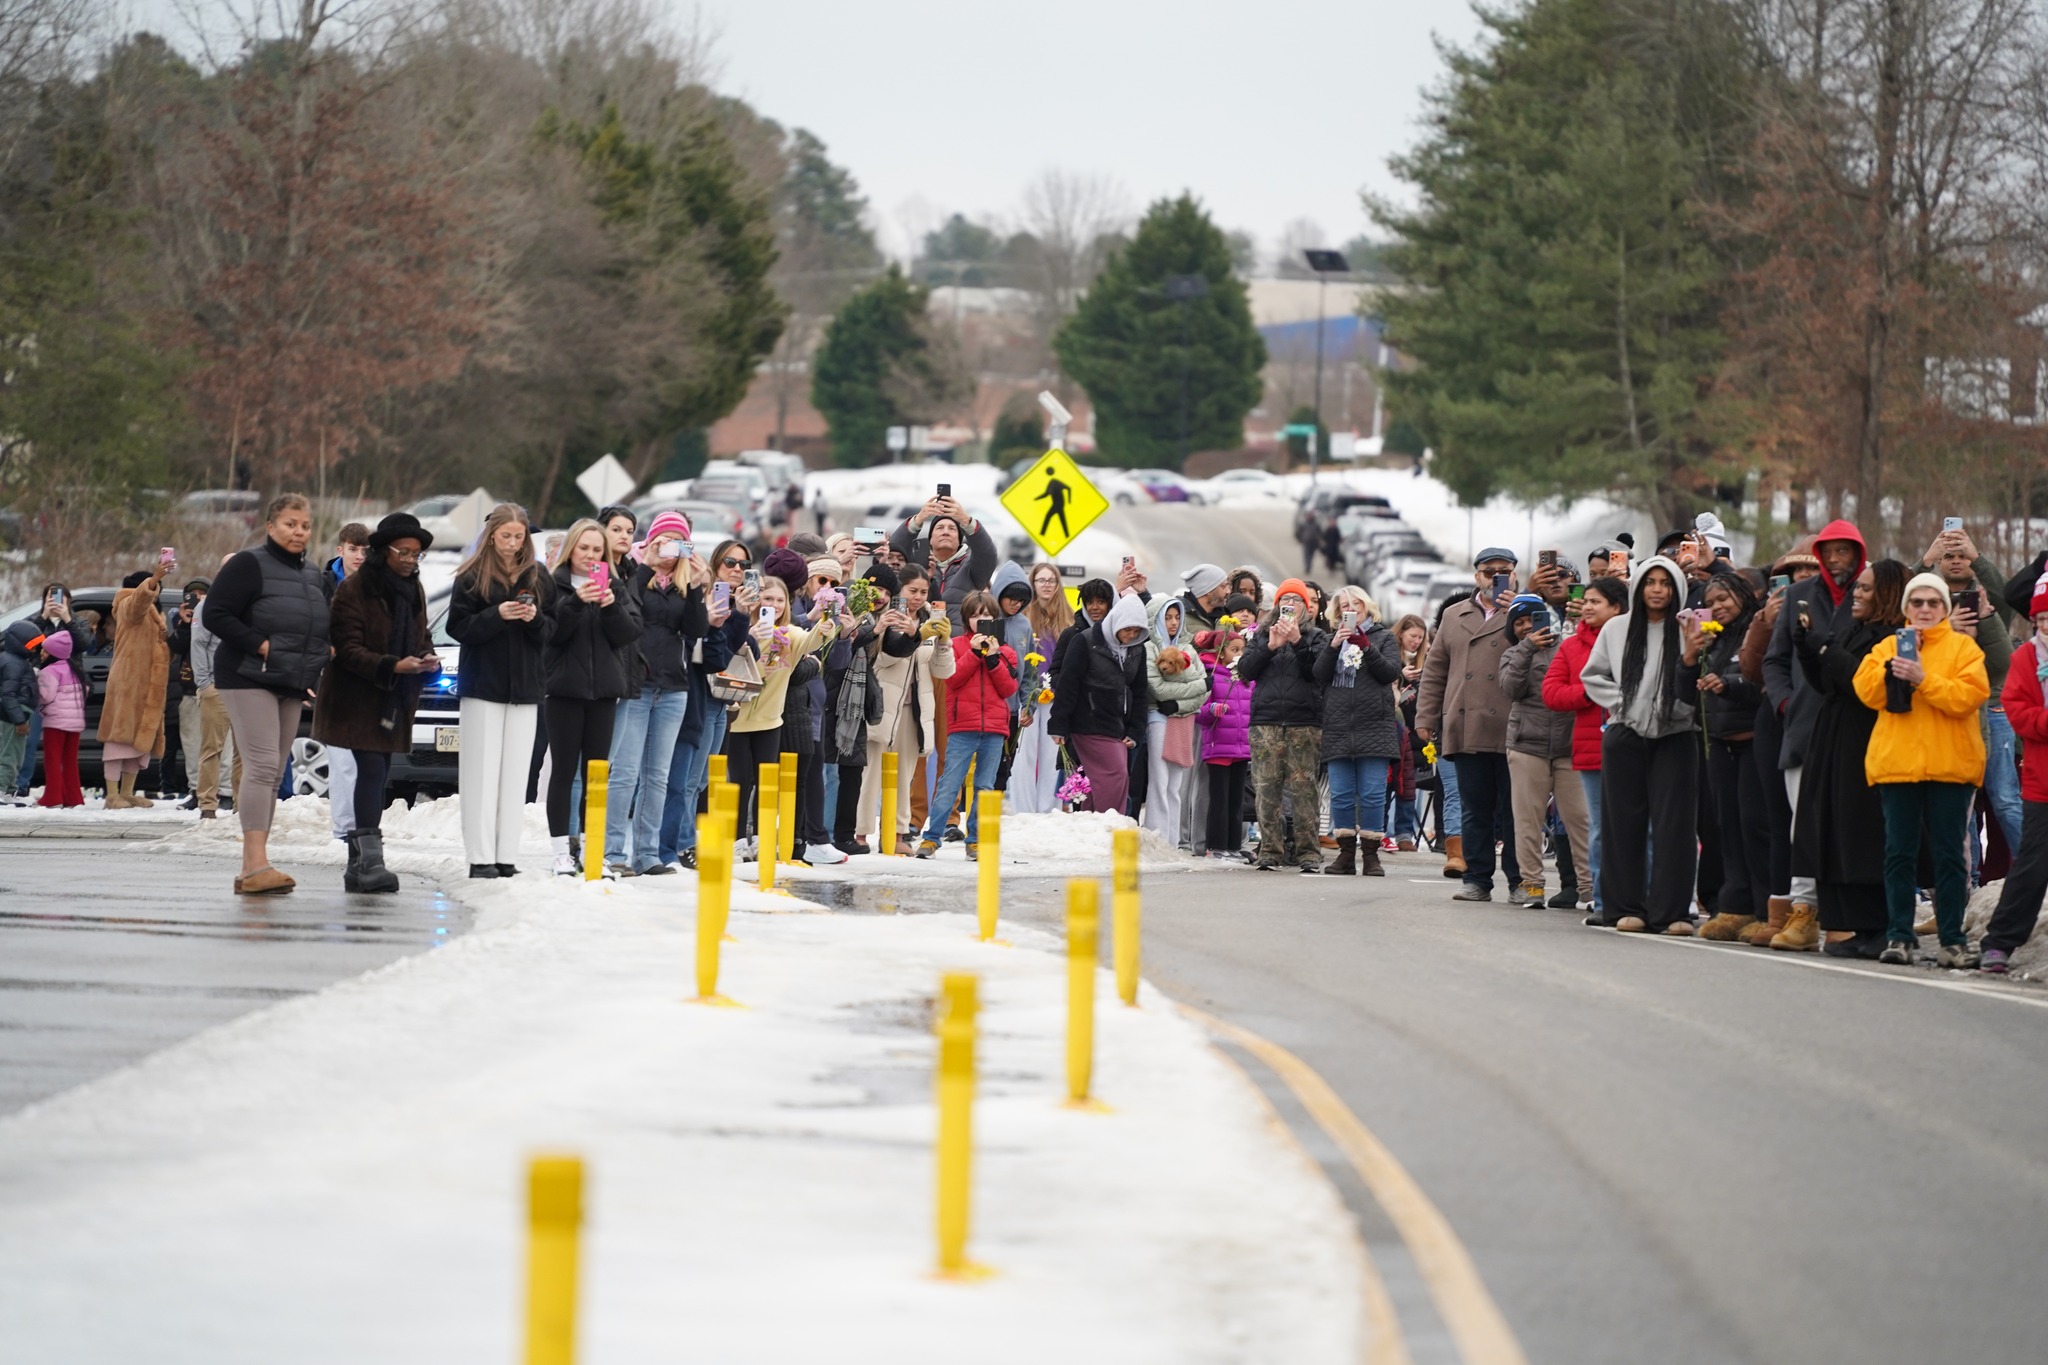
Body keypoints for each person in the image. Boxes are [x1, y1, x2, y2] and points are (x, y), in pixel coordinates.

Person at [1853, 572, 1988, 966]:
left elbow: (1969, 696)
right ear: (1906, 609)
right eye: (1917, 603)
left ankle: (1952, 939)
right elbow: (1865, 692)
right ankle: (1899, 936)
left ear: (1945, 608)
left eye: (1933, 603)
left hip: (1951, 766)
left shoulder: (1964, 649)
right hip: (1897, 765)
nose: (1925, 609)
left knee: (1949, 856)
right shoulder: (1886, 647)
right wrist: (1890, 672)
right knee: (1899, 853)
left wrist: (1924, 679)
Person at [202, 493, 331, 896]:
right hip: (247, 675)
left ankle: (250, 868)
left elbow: (314, 630)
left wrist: (314, 665)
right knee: (260, 766)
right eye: (291, 523)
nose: (299, 531)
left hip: (289, 680)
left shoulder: (313, 575)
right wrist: (261, 645)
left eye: (305, 525)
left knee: (274, 772)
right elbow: (216, 614)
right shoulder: (248, 564)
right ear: (271, 526)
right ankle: (257, 864)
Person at [312, 512, 439, 894]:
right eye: (404, 551)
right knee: (369, 770)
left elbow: (421, 634)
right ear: (383, 551)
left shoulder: (413, 589)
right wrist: (392, 664)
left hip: (394, 698)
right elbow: (346, 650)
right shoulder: (354, 589)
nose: (410, 559)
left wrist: (426, 659)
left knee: (378, 772)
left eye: (417, 554)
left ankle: (357, 864)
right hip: (354, 698)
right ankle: (370, 861)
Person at [1789, 561, 1905, 957]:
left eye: (1867, 589)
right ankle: (1851, 926)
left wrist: (1826, 648)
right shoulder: (1855, 630)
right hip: (1834, 736)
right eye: (1857, 588)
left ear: (1887, 595)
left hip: (1866, 738)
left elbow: (1861, 683)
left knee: (1862, 832)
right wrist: (1807, 650)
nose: (1857, 594)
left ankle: (1877, 927)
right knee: (1833, 827)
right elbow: (1827, 682)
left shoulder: (1892, 636)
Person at [1580, 556, 1699, 934]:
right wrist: (1624, 702)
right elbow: (1592, 674)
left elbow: (1698, 678)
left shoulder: (1688, 627)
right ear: (1639, 587)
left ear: (1677, 587)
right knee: (1622, 824)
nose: (1658, 589)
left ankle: (1672, 912)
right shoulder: (1616, 628)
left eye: (1666, 582)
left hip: (1676, 733)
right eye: (1651, 582)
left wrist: (1678, 705)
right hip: (1625, 733)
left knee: (1674, 826)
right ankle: (1624, 906)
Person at [1761, 519, 1866, 950]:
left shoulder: (1869, 595)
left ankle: (1845, 914)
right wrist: (1787, 703)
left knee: (1849, 823)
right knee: (1802, 826)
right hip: (1804, 726)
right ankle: (1803, 913)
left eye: (1846, 551)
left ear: (1859, 555)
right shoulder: (1798, 596)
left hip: (1858, 726)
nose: (1837, 560)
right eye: (1830, 552)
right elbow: (1775, 660)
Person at [604, 511, 709, 877]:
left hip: (673, 688)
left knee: (657, 776)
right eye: (664, 539)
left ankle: (647, 854)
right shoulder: (633, 573)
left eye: (678, 540)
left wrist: (696, 585)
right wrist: (648, 564)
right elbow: (630, 612)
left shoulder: (682, 582)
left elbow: (696, 629)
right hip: (637, 684)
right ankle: (614, 851)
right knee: (626, 772)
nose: (670, 547)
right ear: (651, 541)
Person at [448, 503, 551, 878]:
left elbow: (551, 630)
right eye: (505, 536)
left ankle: (506, 855)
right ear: (491, 536)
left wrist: (533, 617)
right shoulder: (473, 575)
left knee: (514, 775)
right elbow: (459, 627)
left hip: (525, 687)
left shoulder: (538, 575)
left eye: (518, 536)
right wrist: (497, 614)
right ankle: (480, 856)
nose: (511, 543)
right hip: (482, 685)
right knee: (480, 772)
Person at [1416, 549, 1521, 899]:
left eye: (1503, 571)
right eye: (1488, 571)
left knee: (1514, 811)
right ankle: (1477, 879)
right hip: (1466, 724)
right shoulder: (1453, 614)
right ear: (1476, 576)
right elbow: (1434, 672)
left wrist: (1515, 609)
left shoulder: (1526, 611)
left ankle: (1521, 881)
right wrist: (1426, 717)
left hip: (1513, 726)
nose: (1495, 577)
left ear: (1514, 574)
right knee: (1474, 808)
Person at [542, 518, 643, 876]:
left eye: (596, 550)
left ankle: (592, 848)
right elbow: (549, 634)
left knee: (596, 774)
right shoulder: (553, 584)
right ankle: (560, 851)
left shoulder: (615, 585)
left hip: (603, 693)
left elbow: (629, 633)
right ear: (571, 549)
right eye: (583, 548)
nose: (589, 555)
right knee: (564, 772)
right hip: (564, 691)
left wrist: (610, 605)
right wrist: (574, 604)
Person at [1913, 525, 2018, 866]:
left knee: (2004, 798)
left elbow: (2011, 594)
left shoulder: (1990, 599)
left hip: (1993, 707)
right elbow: (1898, 600)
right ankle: (1967, 879)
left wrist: (1979, 557)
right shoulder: (1929, 602)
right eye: (1949, 556)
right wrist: (1925, 560)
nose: (1956, 561)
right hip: (1949, 706)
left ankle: (2033, 869)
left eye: (1962, 556)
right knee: (1962, 802)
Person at [1737, 543, 1821, 944]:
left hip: (1822, 722)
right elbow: (1756, 668)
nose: (1802, 578)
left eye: (1810, 570)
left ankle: (1819, 912)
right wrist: (1765, 623)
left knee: (1814, 820)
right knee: (1771, 819)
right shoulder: (1771, 613)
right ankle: (1777, 911)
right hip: (1776, 720)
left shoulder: (1834, 607)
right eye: (1794, 572)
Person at [726, 571, 838, 858]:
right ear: (755, 600)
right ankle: (737, 839)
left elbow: (812, 640)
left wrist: (827, 622)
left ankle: (762, 838)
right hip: (738, 718)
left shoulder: (789, 633)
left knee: (767, 780)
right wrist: (748, 636)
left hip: (771, 719)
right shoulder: (740, 628)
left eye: (780, 600)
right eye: (767, 599)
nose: (774, 605)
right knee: (739, 780)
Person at [657, 537, 746, 869]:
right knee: (686, 778)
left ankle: (684, 841)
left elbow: (723, 655)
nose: (737, 570)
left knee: (702, 778)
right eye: (730, 563)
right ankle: (680, 844)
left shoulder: (731, 606)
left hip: (719, 697)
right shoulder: (696, 603)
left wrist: (738, 617)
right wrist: (711, 618)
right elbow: (700, 653)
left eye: (744, 565)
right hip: (695, 696)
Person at [1542, 576, 1625, 923]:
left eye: (1596, 602)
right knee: (1599, 828)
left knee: (1637, 825)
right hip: (1591, 748)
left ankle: (1640, 895)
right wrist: (1588, 693)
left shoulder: (1631, 640)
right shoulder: (1572, 646)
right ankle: (1603, 901)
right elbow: (1552, 692)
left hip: (1632, 743)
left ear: (1617, 608)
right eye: (1586, 601)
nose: (1587, 607)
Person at [1694, 572, 1772, 939]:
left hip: (1754, 742)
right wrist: (1691, 655)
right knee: (1727, 828)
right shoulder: (1712, 638)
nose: (1718, 607)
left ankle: (1765, 909)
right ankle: (1735, 907)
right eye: (1711, 602)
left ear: (1743, 596)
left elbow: (1763, 685)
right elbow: (1685, 691)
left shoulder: (1758, 630)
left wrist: (1729, 685)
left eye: (1724, 598)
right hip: (1720, 744)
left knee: (1755, 826)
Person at [1500, 594, 1589, 908]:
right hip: (1527, 745)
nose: (1527, 627)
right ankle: (1533, 886)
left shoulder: (1567, 648)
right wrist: (1527, 648)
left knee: (1580, 820)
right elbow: (1511, 689)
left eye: (1532, 620)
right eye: (1520, 623)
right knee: (1527, 821)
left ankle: (1589, 889)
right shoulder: (1513, 653)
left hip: (1568, 745)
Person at [1980, 573, 2048, 973]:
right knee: (2032, 866)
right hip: (2042, 784)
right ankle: (2000, 942)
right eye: (2042, 619)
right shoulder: (2026, 659)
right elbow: (2017, 713)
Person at [860, 565, 955, 851]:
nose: (917, 597)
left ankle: (898, 834)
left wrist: (943, 641)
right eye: (912, 591)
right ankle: (860, 833)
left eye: (923, 592)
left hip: (915, 711)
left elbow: (944, 671)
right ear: (900, 591)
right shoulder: (884, 619)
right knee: (870, 774)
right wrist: (914, 637)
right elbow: (881, 662)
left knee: (905, 776)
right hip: (883, 706)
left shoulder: (930, 619)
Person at [917, 590, 1018, 858]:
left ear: (995, 618)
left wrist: (994, 658)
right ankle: (931, 838)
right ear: (966, 619)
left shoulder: (1006, 650)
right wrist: (975, 653)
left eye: (986, 615)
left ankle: (975, 840)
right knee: (950, 783)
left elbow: (1008, 688)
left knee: (984, 787)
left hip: (995, 730)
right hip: (963, 727)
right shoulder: (958, 645)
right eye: (975, 616)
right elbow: (953, 678)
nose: (980, 620)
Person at [1237, 579, 1328, 873]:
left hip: (1305, 723)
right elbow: (1245, 672)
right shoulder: (1261, 636)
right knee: (1266, 790)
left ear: (1307, 606)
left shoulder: (1316, 637)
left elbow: (1317, 672)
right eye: (1284, 599)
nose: (1290, 604)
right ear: (1276, 605)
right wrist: (1271, 647)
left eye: (1296, 599)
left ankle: (1308, 854)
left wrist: (1297, 641)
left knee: (1304, 791)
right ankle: (1270, 851)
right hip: (1266, 722)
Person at [1313, 586, 1402, 876]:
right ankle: (1346, 856)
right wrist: (1333, 647)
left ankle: (1372, 857)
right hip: (1339, 726)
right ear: (1336, 612)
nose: (1350, 612)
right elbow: (1319, 676)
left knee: (1373, 794)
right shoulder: (1330, 639)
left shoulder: (1384, 636)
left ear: (1366, 607)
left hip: (1374, 725)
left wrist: (1365, 646)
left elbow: (1390, 673)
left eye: (1356, 606)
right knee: (1341, 793)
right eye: (1343, 608)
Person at [1048, 591, 1148, 816]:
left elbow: (1140, 692)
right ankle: (1110, 825)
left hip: (1118, 726)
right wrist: (1058, 724)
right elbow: (1068, 683)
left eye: (1136, 631)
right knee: (1116, 774)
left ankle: (1091, 831)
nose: (1131, 636)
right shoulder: (1085, 640)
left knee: (1098, 784)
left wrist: (1136, 730)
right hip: (1088, 721)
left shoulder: (1137, 649)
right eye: (1127, 629)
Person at [96, 561, 174, 807]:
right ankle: (111, 794)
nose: (156, 590)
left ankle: (127, 792)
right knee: (118, 739)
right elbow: (137, 604)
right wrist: (154, 579)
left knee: (138, 742)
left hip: (147, 686)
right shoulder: (127, 604)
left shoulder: (154, 612)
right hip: (129, 683)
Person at [1140, 593, 1208, 840]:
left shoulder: (1188, 648)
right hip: (1157, 719)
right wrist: (1196, 685)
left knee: (1176, 783)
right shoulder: (1148, 648)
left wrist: (1177, 703)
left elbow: (1204, 689)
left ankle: (1173, 839)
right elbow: (1158, 689)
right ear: (1155, 619)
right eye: (1167, 617)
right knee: (1159, 780)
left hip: (1183, 719)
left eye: (1177, 617)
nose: (1173, 622)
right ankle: (1157, 836)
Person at [1007, 562, 1071, 815]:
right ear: (1033, 584)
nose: (1047, 585)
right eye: (1041, 580)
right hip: (1028, 694)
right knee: (1025, 754)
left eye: (1051, 580)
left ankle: (1047, 809)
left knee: (1050, 755)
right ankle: (1023, 809)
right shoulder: (1024, 616)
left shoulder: (1067, 617)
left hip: (1055, 695)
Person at [887, 494, 996, 629]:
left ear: (960, 539)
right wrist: (919, 519)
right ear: (930, 540)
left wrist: (965, 520)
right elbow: (895, 550)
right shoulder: (917, 566)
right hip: (917, 641)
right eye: (939, 528)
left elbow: (987, 554)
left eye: (952, 529)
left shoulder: (971, 567)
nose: (946, 532)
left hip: (957, 644)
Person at [1197, 631, 1254, 858]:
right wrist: (1212, 710)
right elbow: (1199, 711)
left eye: (1242, 650)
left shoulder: (1248, 679)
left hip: (1241, 748)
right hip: (1218, 747)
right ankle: (1215, 845)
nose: (1239, 654)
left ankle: (1233, 845)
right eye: (1234, 650)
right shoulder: (1213, 676)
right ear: (1221, 653)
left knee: (1236, 799)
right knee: (1219, 799)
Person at [1388, 614, 1429, 852]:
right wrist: (1402, 676)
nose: (1415, 642)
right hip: (1391, 727)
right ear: (1401, 633)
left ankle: (1404, 833)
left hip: (1414, 733)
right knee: (1385, 785)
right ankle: (1381, 831)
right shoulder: (1389, 654)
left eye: (1420, 638)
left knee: (1408, 786)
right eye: (1412, 636)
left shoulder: (1425, 662)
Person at [34, 628, 86, 806]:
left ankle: (53, 797)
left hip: (56, 722)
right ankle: (73, 797)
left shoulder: (49, 671)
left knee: (53, 760)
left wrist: (35, 683)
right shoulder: (74, 670)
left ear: (53, 653)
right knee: (70, 761)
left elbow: (46, 696)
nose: (41, 653)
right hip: (75, 722)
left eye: (45, 650)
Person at [0, 621, 38, 803]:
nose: (34, 648)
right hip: (14, 716)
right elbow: (8, 694)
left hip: (15, 714)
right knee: (11, 754)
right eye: (31, 644)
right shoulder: (13, 663)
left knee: (14, 753)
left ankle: (8, 791)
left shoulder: (15, 661)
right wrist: (19, 720)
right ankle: (2, 788)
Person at [322, 523, 369, 601]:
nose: (360, 556)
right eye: (353, 549)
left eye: (364, 550)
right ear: (340, 551)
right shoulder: (321, 584)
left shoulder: (380, 584)